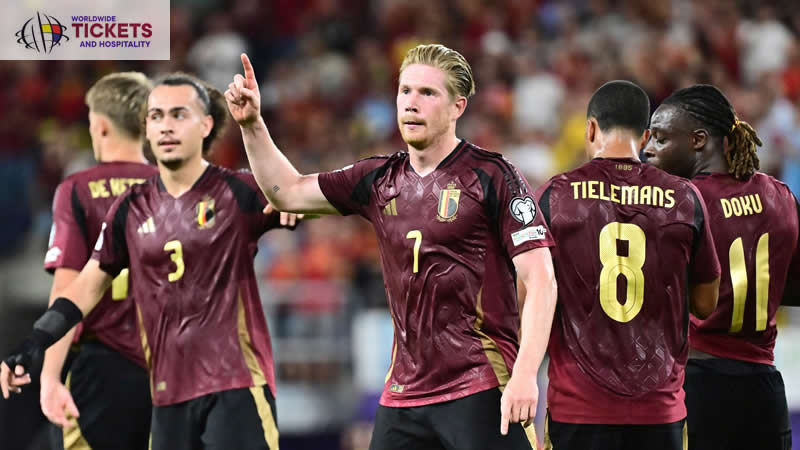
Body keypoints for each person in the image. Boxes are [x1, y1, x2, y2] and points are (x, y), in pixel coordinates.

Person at [226, 44, 558, 450]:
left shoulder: (493, 176)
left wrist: (525, 373)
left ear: (457, 107)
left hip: (480, 384)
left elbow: (541, 280)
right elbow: (288, 193)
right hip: (404, 394)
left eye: (427, 93)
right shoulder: (379, 178)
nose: (411, 103)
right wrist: (252, 125)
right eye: (405, 91)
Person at [2, 73, 299, 450]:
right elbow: (84, 288)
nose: (166, 126)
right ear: (145, 128)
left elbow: (297, 194)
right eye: (156, 116)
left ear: (206, 125)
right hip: (166, 393)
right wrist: (34, 344)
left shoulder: (237, 191)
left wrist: (282, 186)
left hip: (230, 384)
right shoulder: (129, 208)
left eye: (178, 114)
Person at [534, 80, 721, 450]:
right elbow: (705, 304)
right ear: (647, 137)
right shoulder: (685, 198)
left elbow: (530, 299)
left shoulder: (555, 196)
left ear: (590, 129)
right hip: (659, 410)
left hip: (578, 408)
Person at [644, 83, 799, 450]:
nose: (648, 149)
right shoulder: (779, 195)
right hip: (765, 390)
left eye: (661, 138)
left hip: (697, 387)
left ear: (698, 140)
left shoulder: (678, 203)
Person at [40, 71, 157, 450]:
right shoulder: (176, 187)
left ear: (101, 126)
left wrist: (49, 376)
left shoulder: (77, 189)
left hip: (101, 368)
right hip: (172, 369)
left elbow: (67, 288)